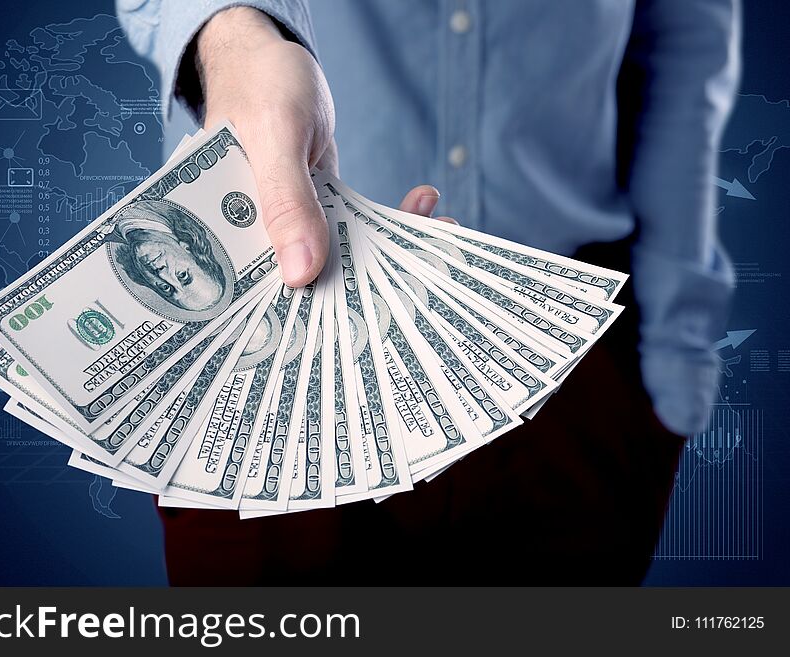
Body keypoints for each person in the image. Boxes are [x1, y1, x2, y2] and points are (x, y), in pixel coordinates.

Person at [117, 0, 739, 584]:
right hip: (263, 372)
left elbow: (683, 47)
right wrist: (237, 39)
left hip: (568, 368)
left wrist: (670, 376)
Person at [112, 198, 227, 312]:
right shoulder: (154, 199)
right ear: (188, 248)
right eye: (182, 275)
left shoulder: (107, 236)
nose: (162, 274)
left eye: (165, 288)